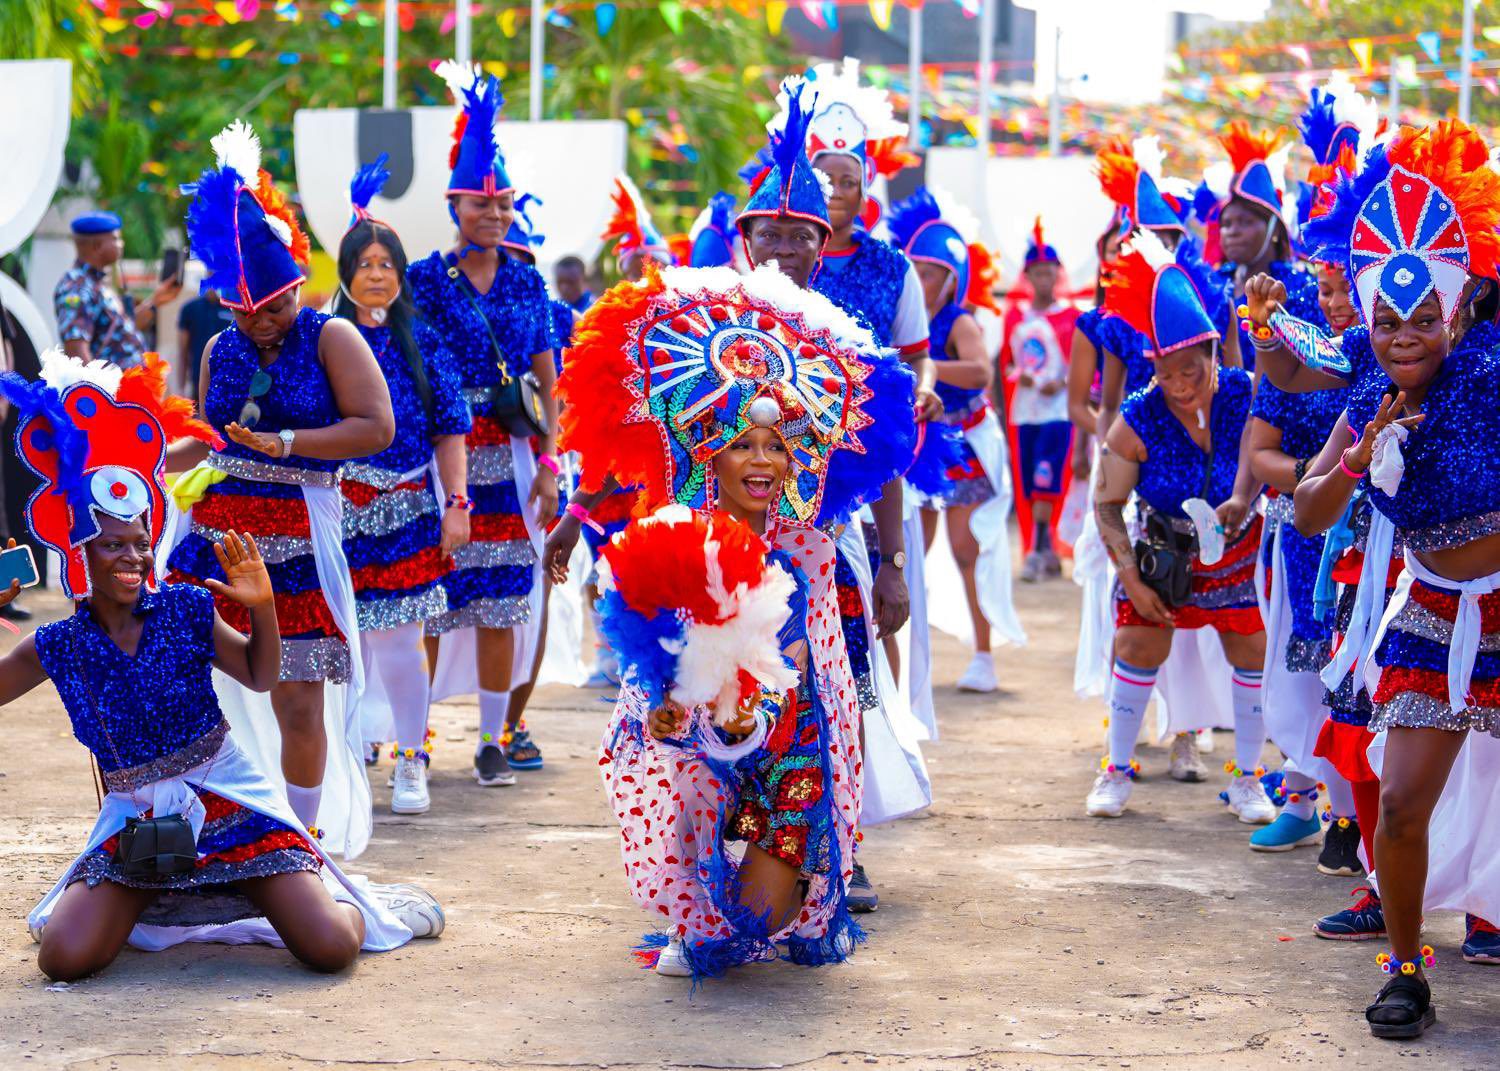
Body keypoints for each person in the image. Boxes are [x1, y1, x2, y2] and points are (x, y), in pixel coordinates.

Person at [0, 352, 426, 980]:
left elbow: (259, 676)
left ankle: (354, 900)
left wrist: (266, 608)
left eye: (141, 543)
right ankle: (172, 892)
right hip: (138, 815)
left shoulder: (187, 607)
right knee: (63, 959)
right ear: (79, 552)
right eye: (113, 545)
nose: (132, 558)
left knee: (330, 947)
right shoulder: (59, 644)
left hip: (228, 794)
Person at [558, 255, 915, 980]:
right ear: (709, 456)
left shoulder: (810, 551)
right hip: (697, 756)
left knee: (760, 920)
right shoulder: (674, 539)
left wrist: (759, 711)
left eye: (776, 445)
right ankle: (689, 892)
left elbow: (821, 697)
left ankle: (767, 873)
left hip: (783, 753)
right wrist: (676, 710)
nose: (761, 459)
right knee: (712, 929)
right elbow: (650, 682)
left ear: (795, 458)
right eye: (742, 444)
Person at [1245, 119, 1500, 1039]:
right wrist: (1360, 461)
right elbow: (1308, 505)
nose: (1402, 338)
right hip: (1432, 606)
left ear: (1458, 310)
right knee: (1397, 802)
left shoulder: (1492, 370)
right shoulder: (1370, 397)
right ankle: (1404, 966)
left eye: (1421, 319)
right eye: (1387, 322)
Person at [163, 121, 394, 855]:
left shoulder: (333, 336)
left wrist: (291, 443)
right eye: (243, 309)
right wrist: (147, 459)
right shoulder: (217, 346)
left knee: (298, 698)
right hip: (218, 535)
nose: (259, 321)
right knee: (197, 690)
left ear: (295, 285)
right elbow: (209, 433)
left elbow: (375, 427)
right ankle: (208, 826)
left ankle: (305, 837)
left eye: (272, 306)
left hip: (299, 536)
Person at [407, 63, 560, 789]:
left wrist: (556, 462)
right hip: (446, 455)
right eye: (481, 203)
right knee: (434, 599)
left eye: (503, 204)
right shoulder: (425, 279)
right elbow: (410, 368)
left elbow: (546, 373)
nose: (494, 214)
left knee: (502, 602)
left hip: (516, 458)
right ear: (455, 205)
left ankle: (494, 737)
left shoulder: (529, 279)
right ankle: (419, 731)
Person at [1085, 230, 1271, 823]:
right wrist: (1132, 581)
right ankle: (1115, 770)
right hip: (1163, 551)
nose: (1179, 383)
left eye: (1190, 368)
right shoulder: (1138, 414)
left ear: (1217, 354)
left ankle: (1248, 779)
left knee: (1252, 650)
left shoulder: (1246, 395)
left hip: (1240, 551)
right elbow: (1106, 503)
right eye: (1166, 373)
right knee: (1138, 641)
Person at [333, 156, 473, 813]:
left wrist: (458, 505)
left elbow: (450, 431)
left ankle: (412, 758)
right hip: (338, 511)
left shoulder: (427, 344)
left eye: (387, 264)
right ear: (347, 275)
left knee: (400, 642)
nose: (378, 274)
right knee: (346, 638)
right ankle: (355, 746)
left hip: (410, 506)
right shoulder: (322, 340)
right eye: (366, 264)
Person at [888, 187, 1022, 694]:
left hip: (964, 444)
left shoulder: (958, 321)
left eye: (932, 273)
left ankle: (984, 655)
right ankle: (907, 657)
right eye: (915, 271)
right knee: (909, 553)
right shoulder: (902, 317)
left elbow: (981, 372)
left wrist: (923, 364)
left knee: (966, 549)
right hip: (921, 443)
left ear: (952, 279)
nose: (922, 282)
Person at [1194, 121, 1325, 369]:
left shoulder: (1299, 289)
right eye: (1227, 223)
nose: (1232, 232)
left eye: (1245, 222)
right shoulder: (1209, 285)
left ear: (1274, 230)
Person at [1001, 217, 1078, 581]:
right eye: (1037, 272)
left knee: (1048, 475)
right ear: (1028, 276)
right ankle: (1041, 547)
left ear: (1057, 274)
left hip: (1058, 411)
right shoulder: (1014, 316)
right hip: (1025, 411)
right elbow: (1008, 362)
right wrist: (1023, 377)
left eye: (1049, 272)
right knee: (1029, 479)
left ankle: (1040, 546)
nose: (1044, 279)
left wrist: (1062, 381)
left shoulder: (1072, 317)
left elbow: (1083, 364)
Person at [54, 211, 181, 370]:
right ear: (97, 246)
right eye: (116, 239)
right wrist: (97, 392)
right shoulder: (76, 287)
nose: (121, 244)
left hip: (126, 391)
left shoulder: (96, 283)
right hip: (108, 393)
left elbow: (122, 330)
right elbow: (76, 352)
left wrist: (155, 301)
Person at [176, 288, 234, 397]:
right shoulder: (190, 308)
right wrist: (181, 389)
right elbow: (183, 351)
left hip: (231, 380)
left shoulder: (233, 308)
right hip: (199, 380)